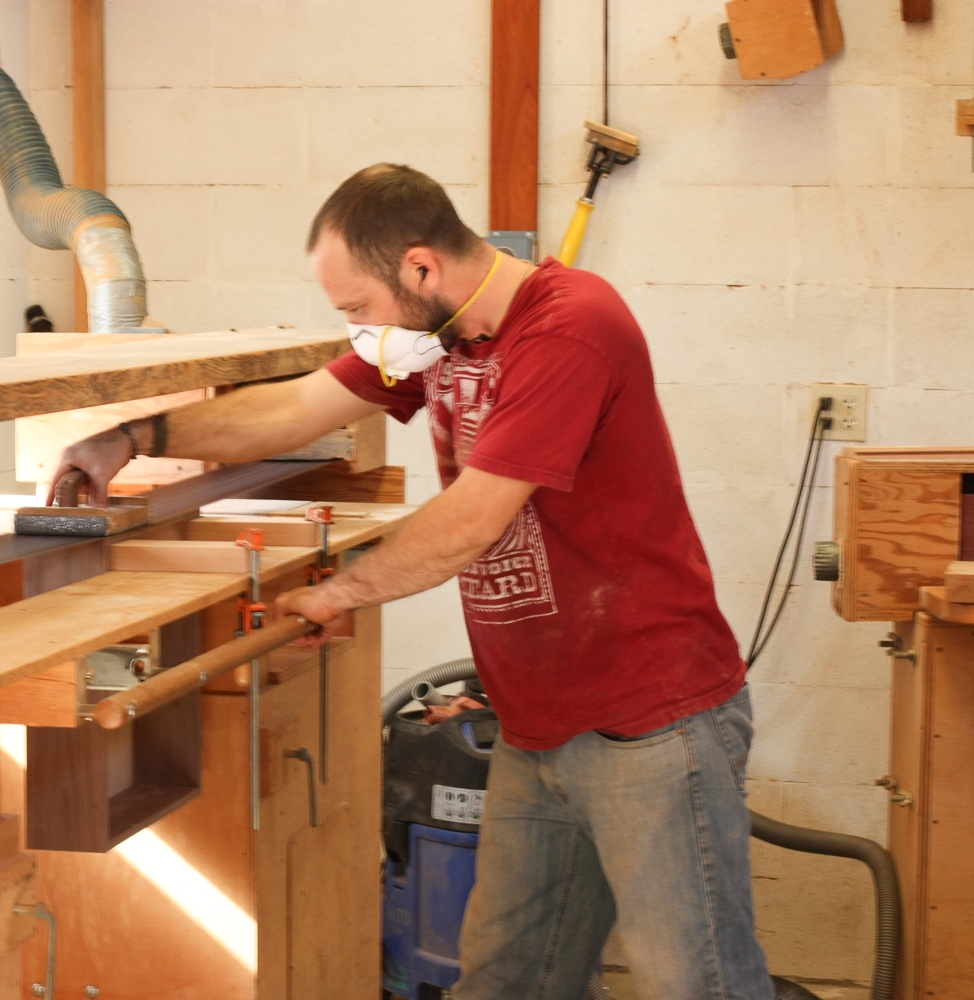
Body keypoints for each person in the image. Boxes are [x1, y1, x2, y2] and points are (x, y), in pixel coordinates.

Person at [51, 163, 773, 1000]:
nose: (359, 332)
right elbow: (289, 413)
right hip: (539, 726)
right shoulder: (436, 335)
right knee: (508, 981)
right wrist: (133, 435)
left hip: (651, 723)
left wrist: (340, 591)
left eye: (358, 309)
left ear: (421, 268)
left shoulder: (571, 327)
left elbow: (472, 521)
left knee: (697, 982)